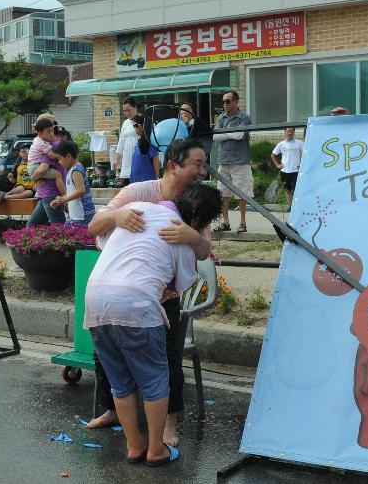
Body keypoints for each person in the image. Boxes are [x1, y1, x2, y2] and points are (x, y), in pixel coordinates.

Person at [85, 182, 222, 467]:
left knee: (120, 381)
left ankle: (134, 446)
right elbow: (182, 284)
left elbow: (103, 242)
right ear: (198, 220)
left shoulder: (136, 210)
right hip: (137, 304)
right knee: (155, 379)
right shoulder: (180, 234)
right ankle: (156, 449)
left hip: (95, 298)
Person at [213, 90, 253, 233]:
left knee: (242, 193)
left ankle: (243, 222)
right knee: (223, 193)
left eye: (228, 101)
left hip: (240, 161)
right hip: (224, 161)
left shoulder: (244, 118)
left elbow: (239, 135)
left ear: (236, 102)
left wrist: (224, 133)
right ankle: (226, 222)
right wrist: (229, 134)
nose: (224, 104)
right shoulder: (221, 118)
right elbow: (214, 137)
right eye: (223, 101)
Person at [27, 118, 67, 226]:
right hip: (46, 192)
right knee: (34, 226)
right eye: (48, 131)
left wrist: (34, 178)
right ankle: (66, 196)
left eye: (52, 130)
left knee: (57, 227)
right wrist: (35, 178)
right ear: (40, 132)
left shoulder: (51, 144)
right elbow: (41, 170)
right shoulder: (45, 144)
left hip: (50, 193)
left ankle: (66, 197)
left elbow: (42, 170)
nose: (51, 133)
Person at [50, 140, 96, 226]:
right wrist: (61, 200)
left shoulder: (76, 170)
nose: (59, 162)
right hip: (76, 213)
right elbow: (73, 191)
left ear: (68, 156)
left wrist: (64, 199)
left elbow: (81, 190)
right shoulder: (72, 169)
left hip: (82, 214)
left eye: (60, 158)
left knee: (77, 237)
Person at [271, 127, 304, 206]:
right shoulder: (281, 144)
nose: (290, 133)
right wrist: (277, 165)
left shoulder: (299, 143)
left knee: (297, 190)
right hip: (285, 171)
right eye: (288, 131)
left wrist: (303, 165)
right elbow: (273, 155)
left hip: (296, 171)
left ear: (294, 133)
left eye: (291, 132)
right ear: (285, 132)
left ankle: (298, 207)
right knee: (288, 190)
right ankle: (290, 206)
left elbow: (306, 154)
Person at [114, 97, 140, 184]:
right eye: (124, 111)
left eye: (129, 110)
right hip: (126, 162)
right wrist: (117, 160)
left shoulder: (143, 120)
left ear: (135, 107)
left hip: (139, 161)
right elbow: (121, 142)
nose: (127, 113)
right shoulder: (125, 123)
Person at [130, 115, 161, 184]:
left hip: (147, 182)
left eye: (135, 125)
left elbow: (156, 161)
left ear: (143, 126)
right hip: (136, 182)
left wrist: (157, 178)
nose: (134, 128)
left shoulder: (150, 142)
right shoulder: (138, 142)